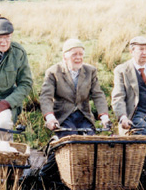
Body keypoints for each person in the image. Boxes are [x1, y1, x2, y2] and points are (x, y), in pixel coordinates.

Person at [39, 38, 110, 181]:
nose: (78, 58)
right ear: (65, 56)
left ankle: (87, 179)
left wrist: (104, 116)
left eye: (81, 54)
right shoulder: (53, 72)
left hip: (84, 116)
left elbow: (98, 94)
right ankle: (45, 174)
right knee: (66, 144)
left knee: (91, 144)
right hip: (64, 117)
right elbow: (45, 97)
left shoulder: (90, 71)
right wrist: (50, 117)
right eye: (74, 55)